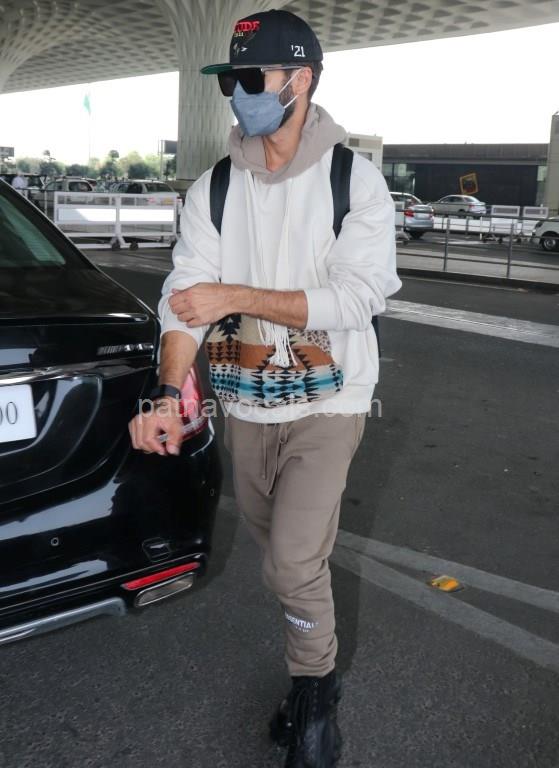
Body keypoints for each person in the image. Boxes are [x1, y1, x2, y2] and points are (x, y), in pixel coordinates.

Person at [128, 9, 401, 767]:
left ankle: (314, 700)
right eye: (231, 81)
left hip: (331, 400)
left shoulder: (353, 181)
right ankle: (313, 675)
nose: (239, 94)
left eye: (253, 77)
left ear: (300, 80)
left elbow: (357, 298)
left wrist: (235, 295)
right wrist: (166, 393)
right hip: (246, 403)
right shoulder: (216, 187)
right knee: (279, 559)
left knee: (292, 563)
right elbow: (184, 297)